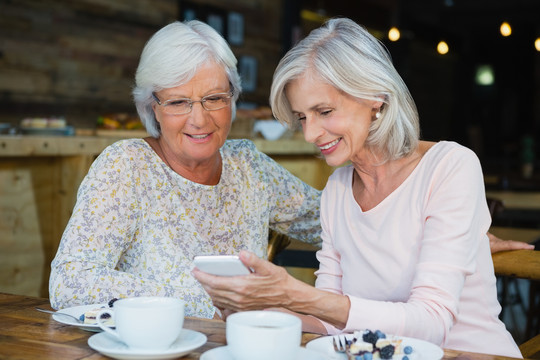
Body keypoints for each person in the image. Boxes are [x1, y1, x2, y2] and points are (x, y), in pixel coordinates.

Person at [193, 18, 523, 357]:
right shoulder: (337, 190)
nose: (310, 134)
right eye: (303, 117)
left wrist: (295, 294)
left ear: (375, 97)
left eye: (324, 111)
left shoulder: (451, 166)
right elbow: (334, 322)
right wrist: (258, 310)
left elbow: (432, 322)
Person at [48, 20, 322, 318]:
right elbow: (70, 282)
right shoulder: (127, 167)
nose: (200, 120)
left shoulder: (248, 166)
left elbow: (330, 221)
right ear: (152, 106)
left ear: (233, 98)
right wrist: (211, 304)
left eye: (214, 99)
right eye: (179, 102)